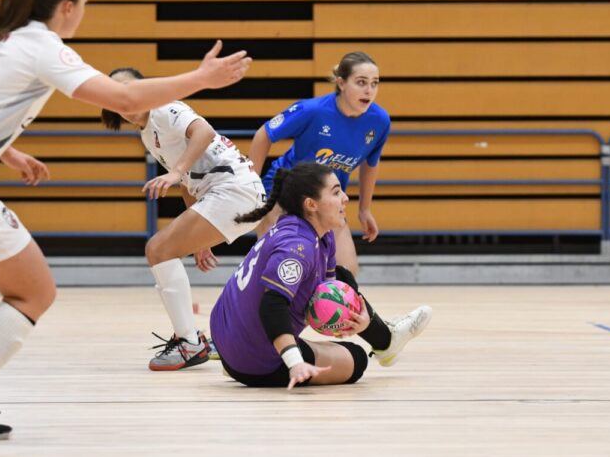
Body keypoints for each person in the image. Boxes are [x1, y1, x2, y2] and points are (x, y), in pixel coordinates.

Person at [0, 0, 251, 441]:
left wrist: (10, 152)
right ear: (67, 7)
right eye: (84, 5)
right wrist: (200, 78)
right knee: (33, 292)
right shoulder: (41, 46)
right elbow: (125, 100)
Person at [209, 162, 432, 389]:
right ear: (311, 204)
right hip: (256, 361)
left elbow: (333, 287)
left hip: (226, 336)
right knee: (357, 359)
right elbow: (271, 306)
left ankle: (385, 338)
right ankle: (386, 341)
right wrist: (295, 363)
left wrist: (360, 321)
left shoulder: (314, 232)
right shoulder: (298, 246)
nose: (345, 197)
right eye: (336, 192)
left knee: (342, 279)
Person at [101, 67, 265, 371]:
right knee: (160, 250)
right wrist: (198, 241)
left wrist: (176, 171)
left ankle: (190, 343)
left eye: (130, 87)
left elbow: (204, 132)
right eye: (116, 93)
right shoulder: (147, 133)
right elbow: (189, 183)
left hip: (236, 189)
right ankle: (190, 339)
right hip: (227, 194)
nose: (125, 97)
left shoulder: (165, 108)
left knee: (158, 249)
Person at [247, 52, 389, 277]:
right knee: (279, 268)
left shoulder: (379, 121)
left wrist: (365, 209)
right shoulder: (312, 111)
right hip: (285, 192)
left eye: (374, 84)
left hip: (328, 199)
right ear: (341, 83)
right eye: (361, 82)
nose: (369, 90)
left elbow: (371, 163)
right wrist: (249, 184)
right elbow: (264, 134)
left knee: (347, 275)